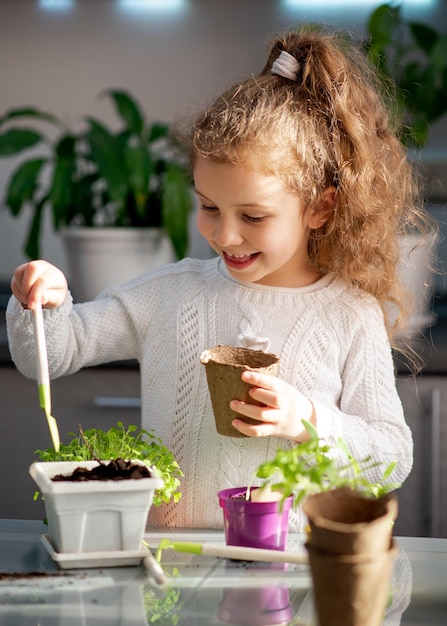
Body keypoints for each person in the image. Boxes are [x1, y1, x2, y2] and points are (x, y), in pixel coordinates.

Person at [6, 26, 432, 530]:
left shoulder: (350, 314)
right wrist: (45, 301)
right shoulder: (170, 294)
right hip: (172, 582)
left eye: (252, 217)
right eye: (209, 207)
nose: (225, 234)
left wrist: (306, 420)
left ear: (320, 207)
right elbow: (51, 355)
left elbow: (390, 459)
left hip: (289, 589)